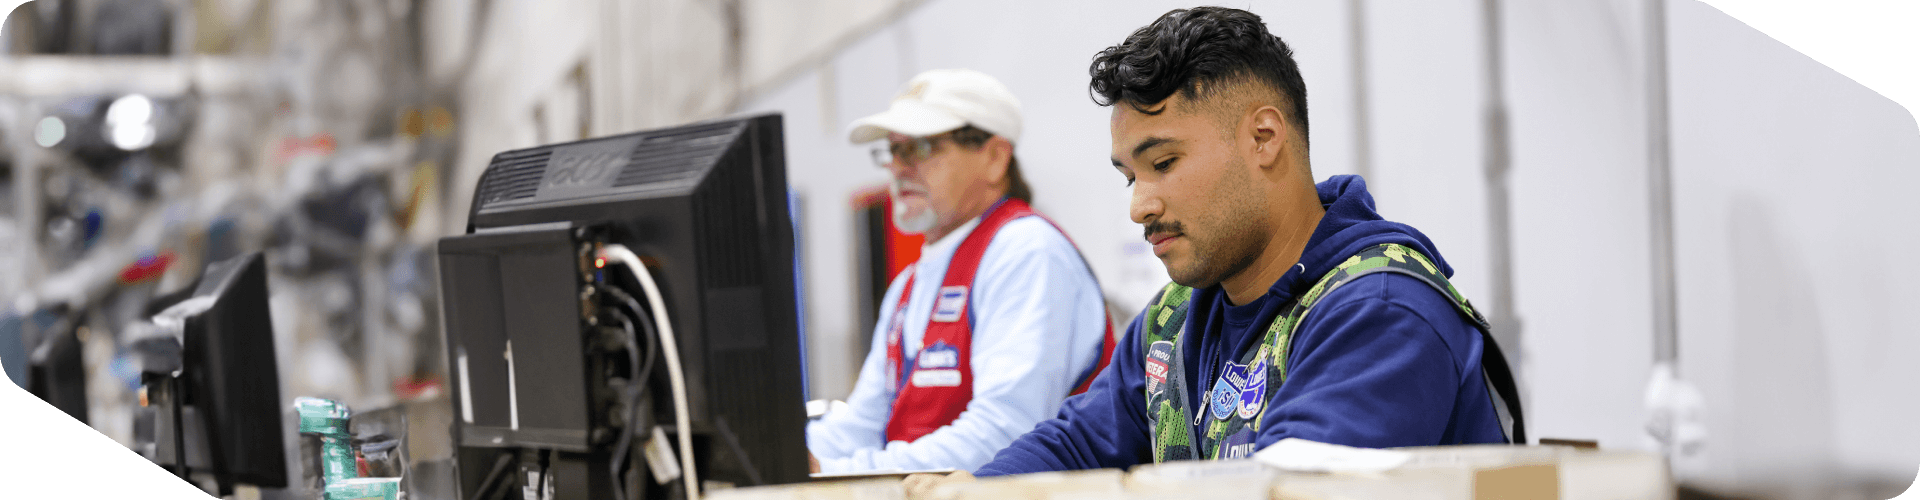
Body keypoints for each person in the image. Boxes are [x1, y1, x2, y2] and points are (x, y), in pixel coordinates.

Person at [906, 6, 1523, 493]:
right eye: (1129, 176)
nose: (1139, 206)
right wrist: (976, 490)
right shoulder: (1177, 320)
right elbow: (1076, 446)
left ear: (1263, 138)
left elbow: (1282, 493)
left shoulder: (1382, 313)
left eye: (1164, 163)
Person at [807, 68, 1118, 475]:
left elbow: (1004, 435)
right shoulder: (910, 283)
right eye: (892, 150)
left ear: (994, 158)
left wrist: (835, 474)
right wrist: (785, 460)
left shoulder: (1025, 252)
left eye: (921, 148)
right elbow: (862, 424)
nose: (898, 168)